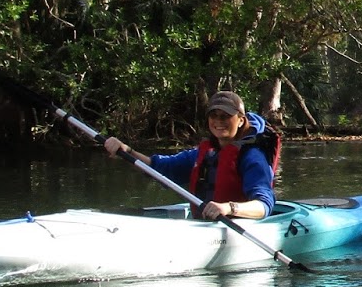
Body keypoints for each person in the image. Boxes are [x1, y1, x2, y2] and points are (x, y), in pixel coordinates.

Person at [105, 90, 279, 220]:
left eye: (226, 116)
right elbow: (160, 168)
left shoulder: (252, 157)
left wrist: (228, 208)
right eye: (214, 115)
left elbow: (264, 205)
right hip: (204, 223)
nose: (218, 121)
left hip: (235, 224)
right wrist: (126, 151)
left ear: (240, 121)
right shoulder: (205, 153)